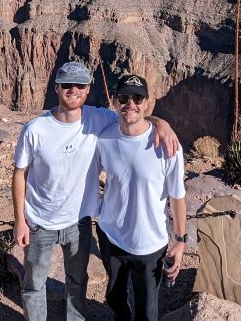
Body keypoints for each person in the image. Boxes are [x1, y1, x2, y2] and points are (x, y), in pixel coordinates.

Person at [12, 61, 179, 321]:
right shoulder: (35, 129)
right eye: (67, 84)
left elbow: (135, 117)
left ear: (88, 89)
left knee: (77, 282)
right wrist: (19, 221)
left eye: (79, 85)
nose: (73, 90)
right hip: (39, 222)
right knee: (34, 285)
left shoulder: (99, 118)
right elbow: (19, 173)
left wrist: (162, 123)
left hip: (79, 221)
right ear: (56, 87)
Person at [96, 73, 186, 321]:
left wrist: (180, 240)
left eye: (137, 98)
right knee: (114, 297)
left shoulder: (167, 146)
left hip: (149, 246)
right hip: (110, 236)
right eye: (124, 98)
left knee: (147, 312)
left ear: (147, 103)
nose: (130, 104)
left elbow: (177, 196)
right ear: (115, 101)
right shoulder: (104, 138)